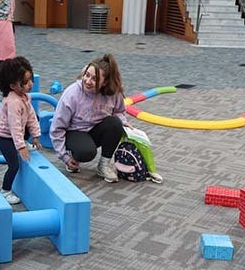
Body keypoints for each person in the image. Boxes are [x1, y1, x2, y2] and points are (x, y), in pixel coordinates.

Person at [50, 54, 162, 183]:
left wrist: (124, 123)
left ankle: (103, 165)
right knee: (86, 152)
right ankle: (74, 156)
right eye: (87, 75)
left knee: (115, 123)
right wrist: (64, 156)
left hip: (96, 130)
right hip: (75, 131)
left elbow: (119, 112)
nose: (87, 81)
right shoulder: (72, 93)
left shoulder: (113, 93)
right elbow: (57, 127)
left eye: (94, 79)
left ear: (105, 82)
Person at [0, 56, 41, 204]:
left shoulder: (25, 96)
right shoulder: (13, 102)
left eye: (30, 79)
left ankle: (22, 143)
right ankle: (5, 190)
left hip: (16, 131)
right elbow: (14, 128)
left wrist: (35, 136)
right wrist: (20, 147)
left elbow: (32, 117)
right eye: (25, 83)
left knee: (35, 118)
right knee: (14, 164)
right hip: (3, 136)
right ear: (13, 86)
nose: (30, 84)